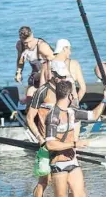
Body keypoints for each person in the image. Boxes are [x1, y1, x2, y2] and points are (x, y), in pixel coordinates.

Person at [45, 81, 106, 197]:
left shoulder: (72, 112)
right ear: (70, 96)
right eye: (73, 94)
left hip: (72, 161)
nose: (75, 96)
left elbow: (94, 115)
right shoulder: (53, 116)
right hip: (58, 164)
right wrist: (75, 144)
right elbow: (50, 145)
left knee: (80, 194)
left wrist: (105, 98)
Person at [27, 61, 70, 197]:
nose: (64, 80)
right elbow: (29, 118)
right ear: (53, 75)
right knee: (44, 181)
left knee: (69, 180)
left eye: (65, 77)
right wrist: (40, 139)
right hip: (46, 143)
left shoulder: (66, 90)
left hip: (62, 143)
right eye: (61, 77)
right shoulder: (42, 91)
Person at [41, 39, 86, 107]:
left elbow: (41, 87)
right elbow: (83, 88)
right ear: (65, 48)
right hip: (69, 106)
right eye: (69, 49)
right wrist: (75, 104)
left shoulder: (46, 65)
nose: (70, 52)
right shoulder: (74, 64)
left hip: (52, 106)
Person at [15, 26, 54, 105]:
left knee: (38, 96)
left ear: (32, 35)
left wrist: (44, 75)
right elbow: (20, 59)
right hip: (35, 74)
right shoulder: (20, 45)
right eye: (25, 43)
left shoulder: (42, 46)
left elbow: (55, 61)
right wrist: (19, 72)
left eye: (30, 42)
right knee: (28, 98)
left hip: (48, 73)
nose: (28, 45)